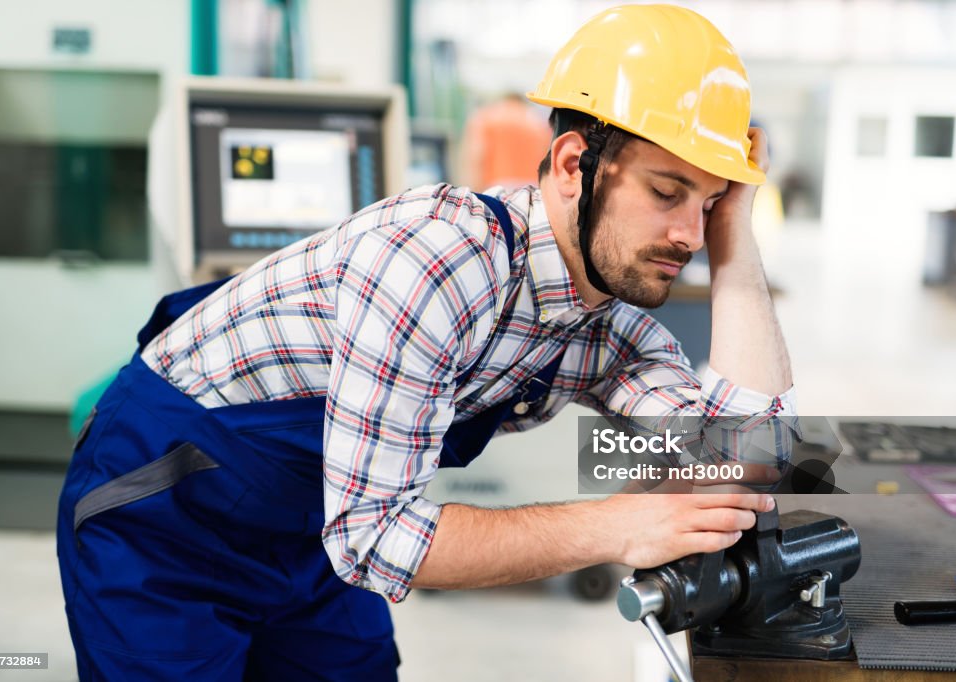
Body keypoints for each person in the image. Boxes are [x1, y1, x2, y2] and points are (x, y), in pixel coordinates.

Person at [57, 4, 795, 680]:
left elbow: (744, 458)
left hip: (309, 532)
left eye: (707, 203)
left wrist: (737, 238)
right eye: (667, 193)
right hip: (165, 522)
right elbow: (376, 541)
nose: (687, 236)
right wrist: (614, 526)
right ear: (574, 166)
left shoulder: (606, 327)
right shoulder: (434, 262)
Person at [462, 92, 552, 190]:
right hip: (532, 187)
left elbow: (478, 154)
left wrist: (476, 190)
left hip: (497, 186)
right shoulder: (538, 122)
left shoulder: (486, 118)